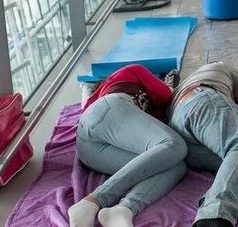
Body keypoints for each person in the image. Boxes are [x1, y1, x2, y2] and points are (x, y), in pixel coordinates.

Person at [68, 65, 186, 227]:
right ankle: (92, 201)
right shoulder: (130, 71)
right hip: (108, 108)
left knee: (175, 165)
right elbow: (165, 94)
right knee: (174, 144)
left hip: (88, 150)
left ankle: (123, 209)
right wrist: (168, 86)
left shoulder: (99, 104)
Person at [168, 62, 238, 227]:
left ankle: (217, 207)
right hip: (201, 100)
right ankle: (213, 217)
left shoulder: (190, 81)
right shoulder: (222, 68)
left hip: (180, 133)